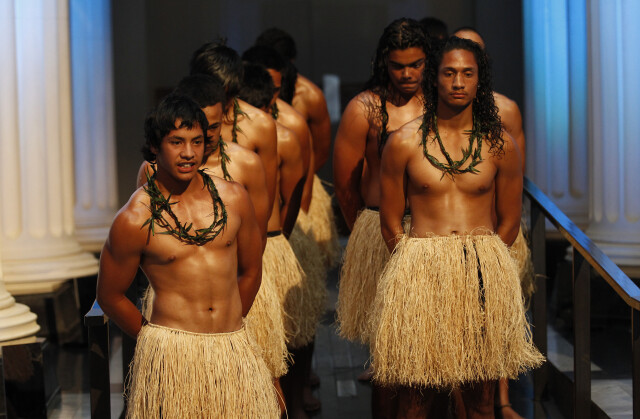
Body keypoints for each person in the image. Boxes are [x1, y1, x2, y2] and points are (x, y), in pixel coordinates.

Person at [371, 36, 543, 418]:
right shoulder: (403, 142)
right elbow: (390, 221)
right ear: (434, 78)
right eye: (449, 73)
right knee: (415, 400)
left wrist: (483, 265)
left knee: (480, 400)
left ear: (480, 79)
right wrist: (415, 265)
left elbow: (510, 220)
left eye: (468, 73)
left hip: (480, 273)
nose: (458, 83)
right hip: (420, 274)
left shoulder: (500, 145)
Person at [96, 94, 279, 418]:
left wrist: (232, 323)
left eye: (196, 141)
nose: (188, 153)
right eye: (176, 142)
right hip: (172, 353)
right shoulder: (134, 219)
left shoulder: (234, 197)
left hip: (232, 345)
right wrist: (153, 340)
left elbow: (251, 269)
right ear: (155, 146)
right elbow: (109, 295)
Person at [333, 19, 428, 405]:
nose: (407, 74)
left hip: (430, 232)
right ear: (383, 63)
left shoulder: (440, 104)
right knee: (388, 354)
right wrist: (364, 230)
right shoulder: (364, 109)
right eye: (397, 66)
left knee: (433, 346)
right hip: (377, 229)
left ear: (428, 61)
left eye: (416, 64)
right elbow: (345, 184)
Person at [453, 25, 534, 419]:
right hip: (438, 252)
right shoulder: (421, 125)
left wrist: (491, 255)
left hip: (494, 241)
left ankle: (502, 400)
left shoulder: (506, 112)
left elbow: (512, 181)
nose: (460, 77)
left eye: (472, 59)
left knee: (494, 328)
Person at [238, 62, 326, 419]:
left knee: (290, 330)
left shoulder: (288, 130)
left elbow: (297, 192)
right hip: (239, 253)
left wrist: (278, 241)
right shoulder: (224, 144)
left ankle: (295, 397)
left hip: (273, 242)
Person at [243, 44, 340, 268]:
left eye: (275, 88)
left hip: (277, 233)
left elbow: (301, 189)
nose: (268, 94)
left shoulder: (293, 123)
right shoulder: (222, 127)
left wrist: (283, 240)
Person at [189, 41, 279, 213]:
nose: (220, 102)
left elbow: (265, 202)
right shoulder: (175, 119)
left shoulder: (261, 125)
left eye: (226, 96)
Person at [255, 27, 332, 173]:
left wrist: (296, 179)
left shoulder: (310, 96)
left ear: (289, 63)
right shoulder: (244, 90)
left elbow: (321, 152)